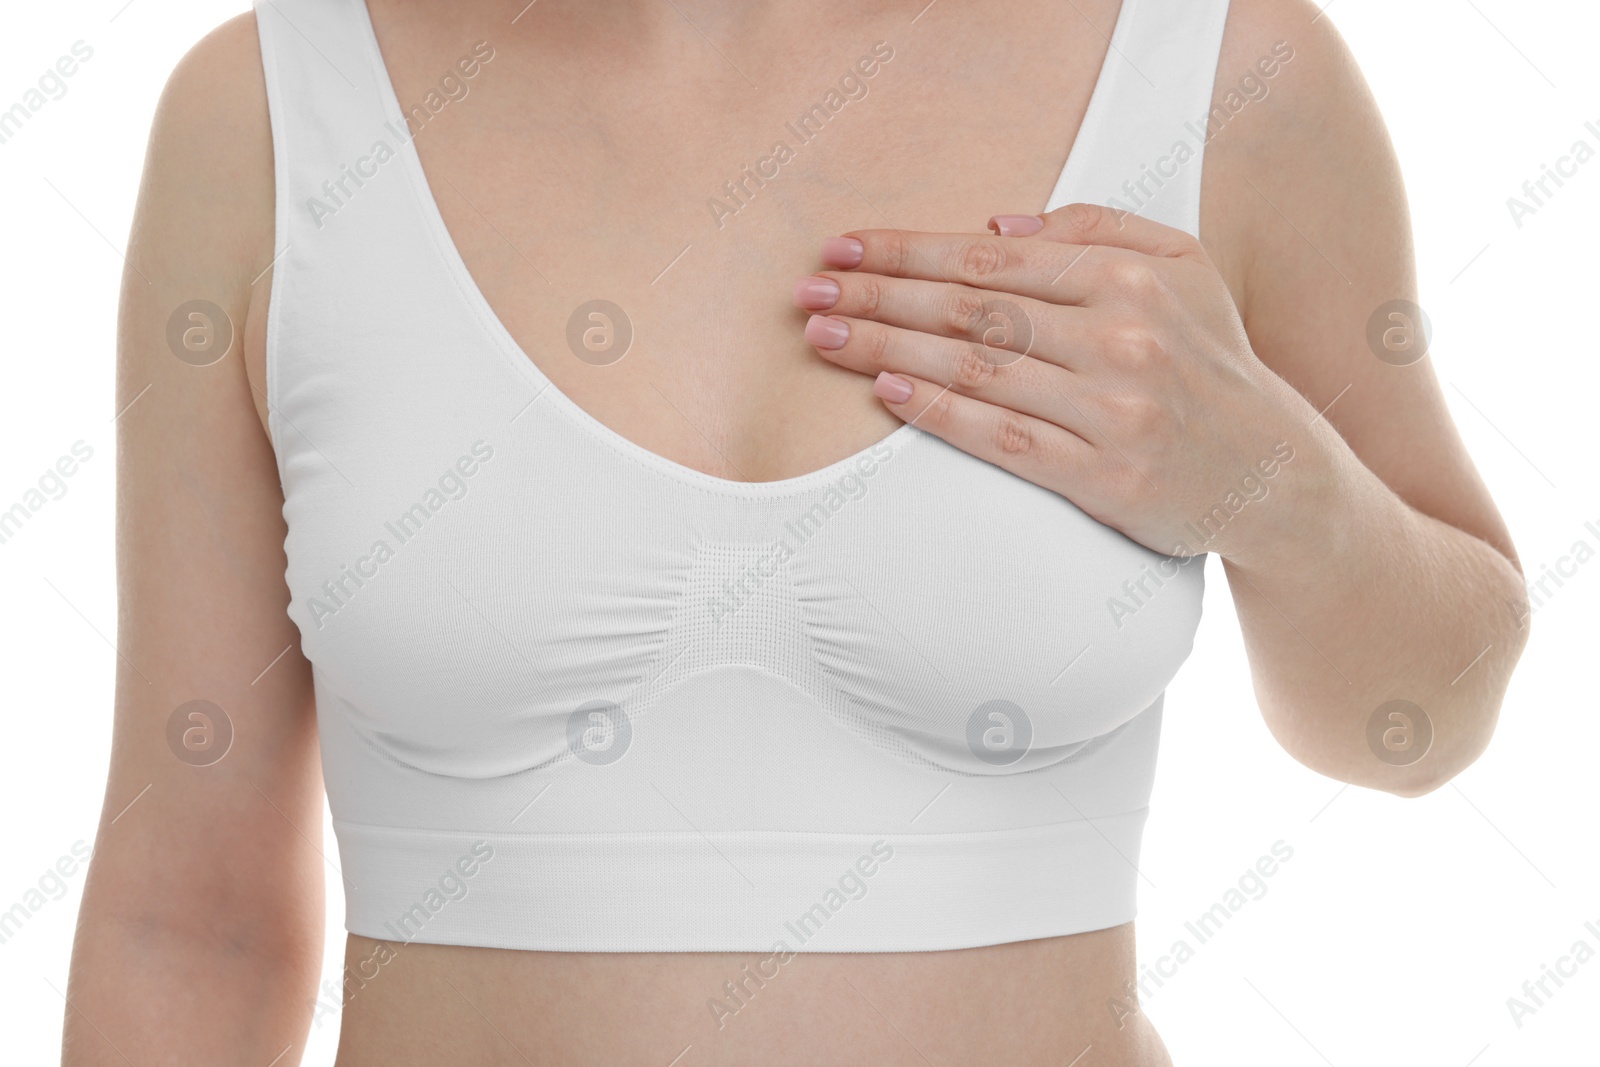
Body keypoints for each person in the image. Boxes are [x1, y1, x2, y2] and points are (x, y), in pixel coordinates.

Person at [62, 0, 1528, 1063]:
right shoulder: (268, 115)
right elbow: (188, 926)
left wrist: (1270, 483)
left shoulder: (1227, 70)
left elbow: (1423, 724)